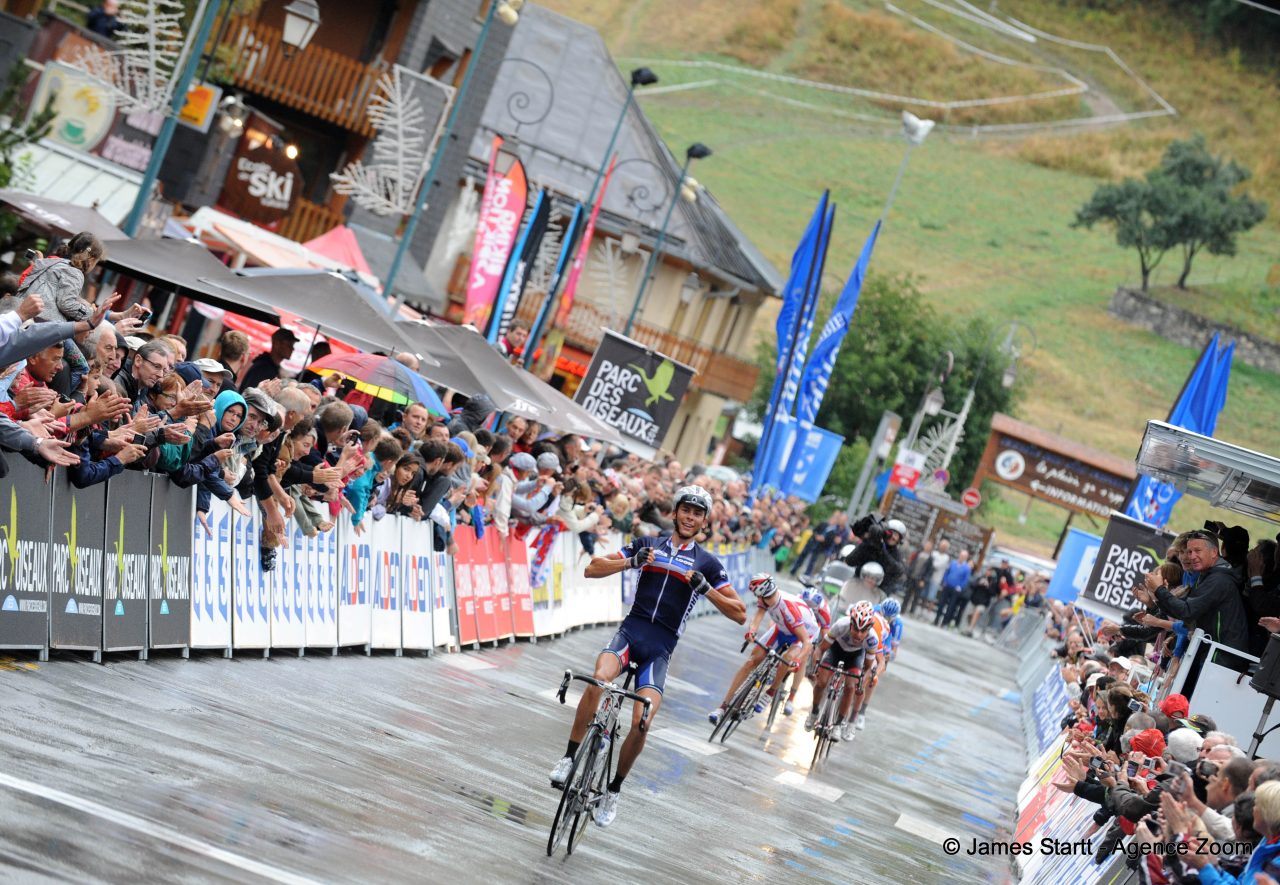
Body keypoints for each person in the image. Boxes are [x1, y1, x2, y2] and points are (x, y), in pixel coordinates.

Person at [549, 485, 746, 828]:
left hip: (660, 648)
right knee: (599, 680)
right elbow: (592, 569)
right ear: (674, 513)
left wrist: (706, 589)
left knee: (644, 719)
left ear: (704, 522)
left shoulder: (708, 563)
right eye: (685, 510)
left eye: (697, 513)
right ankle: (568, 758)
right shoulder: (649, 543)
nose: (690, 517)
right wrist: (630, 561)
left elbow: (740, 613)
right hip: (630, 633)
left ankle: (613, 790)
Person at [709, 574, 814, 725]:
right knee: (751, 662)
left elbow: (806, 641)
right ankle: (722, 707)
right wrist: (752, 631)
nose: (755, 597)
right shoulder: (765, 599)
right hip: (782, 629)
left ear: (763, 592)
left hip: (803, 634)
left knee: (788, 658)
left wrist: (798, 660)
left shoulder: (788, 609)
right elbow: (758, 617)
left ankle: (771, 691)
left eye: (756, 594)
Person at [1137, 529, 1250, 653]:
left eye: (1197, 551)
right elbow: (1180, 611)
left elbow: (1187, 613)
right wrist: (1157, 595)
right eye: (1189, 551)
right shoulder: (1207, 575)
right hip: (1211, 652)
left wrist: (1159, 590)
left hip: (1220, 655)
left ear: (1214, 552)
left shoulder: (1218, 579)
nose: (1191, 556)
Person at [807, 600, 882, 742]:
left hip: (855, 656)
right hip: (836, 650)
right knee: (821, 682)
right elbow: (821, 649)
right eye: (856, 629)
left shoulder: (872, 639)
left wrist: (861, 684)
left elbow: (867, 668)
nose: (859, 635)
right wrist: (815, 666)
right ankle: (814, 711)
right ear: (850, 624)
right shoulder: (841, 625)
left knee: (850, 687)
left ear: (870, 628)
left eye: (863, 630)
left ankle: (837, 724)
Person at [934, 550, 973, 628]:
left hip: (956, 589)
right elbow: (946, 572)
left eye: (964, 556)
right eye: (961, 555)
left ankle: (944, 623)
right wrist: (945, 581)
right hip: (947, 586)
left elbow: (965, 580)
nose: (961, 557)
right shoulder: (953, 563)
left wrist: (960, 587)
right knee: (941, 603)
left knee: (951, 607)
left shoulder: (966, 568)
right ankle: (936, 620)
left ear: (966, 558)